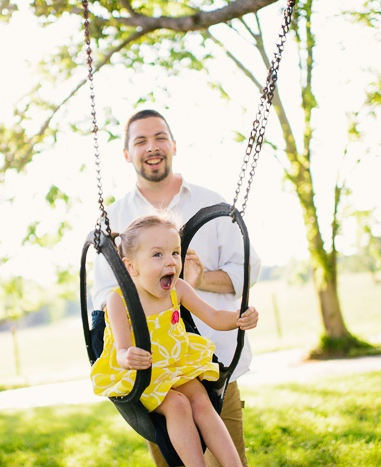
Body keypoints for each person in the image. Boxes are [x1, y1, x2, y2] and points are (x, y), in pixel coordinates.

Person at [92, 109, 262, 467]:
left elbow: (239, 280)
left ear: (173, 145)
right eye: (140, 140)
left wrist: (211, 294)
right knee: (176, 429)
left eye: (159, 138)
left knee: (205, 410)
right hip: (150, 375)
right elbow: (105, 297)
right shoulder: (117, 217)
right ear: (127, 153)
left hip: (206, 363)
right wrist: (128, 352)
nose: (151, 147)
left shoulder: (209, 202)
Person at [90, 215, 258, 467]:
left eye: (175, 253)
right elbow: (121, 350)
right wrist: (129, 356)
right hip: (143, 375)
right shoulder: (119, 300)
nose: (171, 261)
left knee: (201, 401)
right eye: (158, 255)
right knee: (178, 405)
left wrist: (238, 318)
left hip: (176, 366)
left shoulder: (178, 288)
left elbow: (213, 316)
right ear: (131, 267)